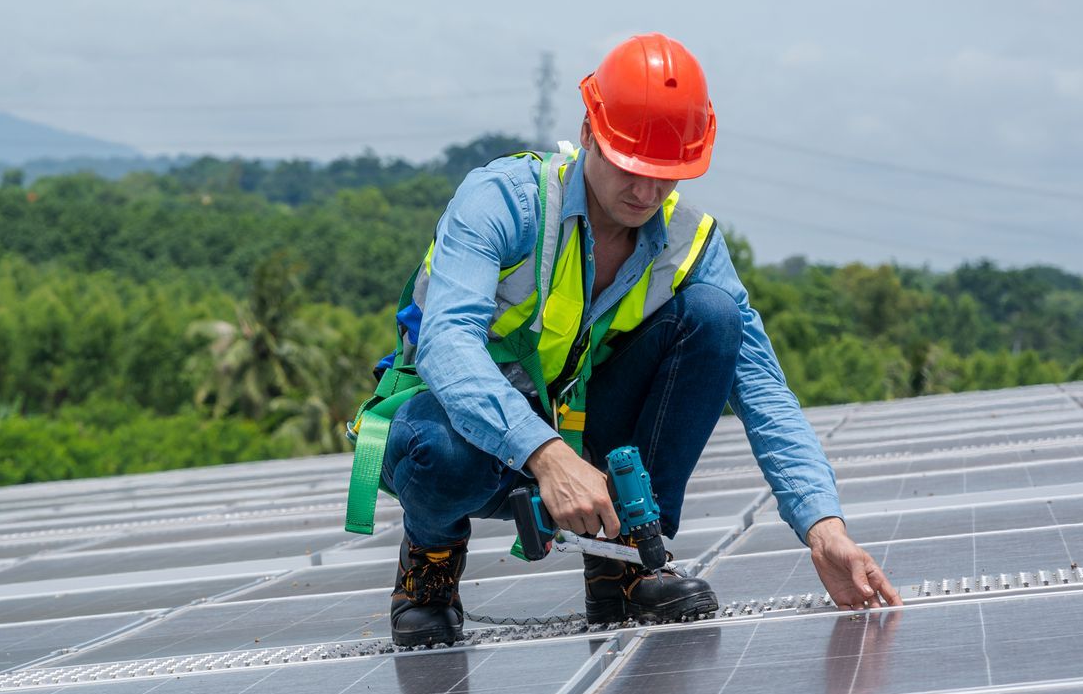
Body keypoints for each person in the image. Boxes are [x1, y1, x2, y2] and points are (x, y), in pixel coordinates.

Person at [347, 33, 904, 648]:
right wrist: (547, 455)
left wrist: (823, 528)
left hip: (582, 434)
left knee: (713, 317)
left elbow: (762, 388)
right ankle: (429, 560)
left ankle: (630, 556)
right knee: (438, 453)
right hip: (463, 426)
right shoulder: (503, 203)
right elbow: (448, 346)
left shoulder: (687, 241)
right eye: (631, 168)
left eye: (666, 176)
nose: (645, 194)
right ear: (590, 132)